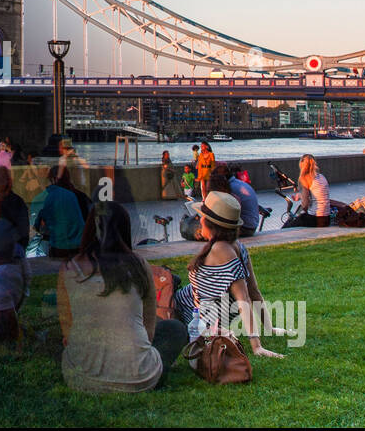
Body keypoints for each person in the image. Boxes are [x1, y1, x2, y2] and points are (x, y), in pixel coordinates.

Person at [58, 202, 190, 393]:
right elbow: (149, 330)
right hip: (139, 378)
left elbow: (67, 333)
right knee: (174, 328)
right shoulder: (139, 265)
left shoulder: (69, 268)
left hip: (81, 379)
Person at [171, 192, 284, 358]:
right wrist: (269, 328)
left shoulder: (221, 250)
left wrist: (257, 346)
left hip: (188, 315)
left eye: (200, 216)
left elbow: (244, 298)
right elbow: (253, 290)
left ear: (210, 223)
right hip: (182, 307)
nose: (198, 219)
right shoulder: (236, 245)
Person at [29, 165, 86, 257]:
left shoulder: (43, 198)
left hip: (58, 246)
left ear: (52, 179)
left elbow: (35, 229)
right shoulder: (75, 196)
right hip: (78, 245)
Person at [209, 164, 259, 236]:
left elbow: (225, 213)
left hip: (244, 228)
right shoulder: (240, 183)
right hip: (251, 225)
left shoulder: (230, 188)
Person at [292, 153, 331, 227]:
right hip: (326, 218)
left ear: (302, 165)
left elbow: (305, 205)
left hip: (316, 219)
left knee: (290, 224)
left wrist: (303, 201)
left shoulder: (305, 178)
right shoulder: (321, 176)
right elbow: (317, 196)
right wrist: (300, 195)